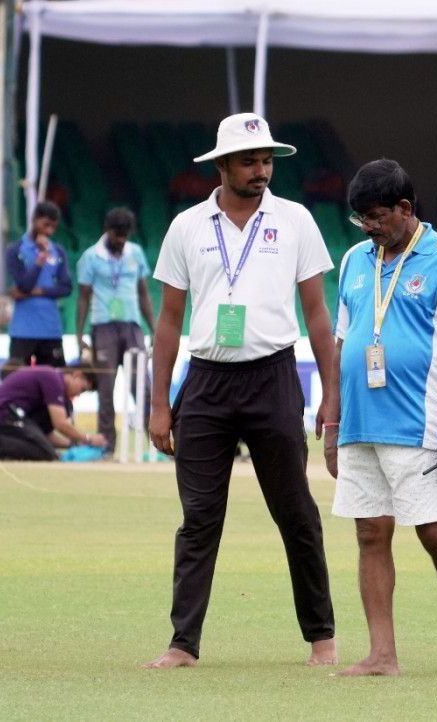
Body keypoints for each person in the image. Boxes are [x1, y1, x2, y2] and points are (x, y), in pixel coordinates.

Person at [145, 112, 339, 670]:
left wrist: (331, 394)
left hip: (274, 376)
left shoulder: (296, 220)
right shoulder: (186, 227)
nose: (261, 171)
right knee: (199, 517)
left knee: (295, 511)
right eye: (250, 161)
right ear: (223, 165)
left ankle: (321, 637)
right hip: (205, 382)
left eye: (267, 161)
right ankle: (183, 644)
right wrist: (161, 404)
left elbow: (318, 315)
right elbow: (168, 321)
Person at [325, 158, 437, 677]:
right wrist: (330, 418)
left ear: (405, 208)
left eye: (376, 217)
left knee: (433, 533)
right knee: (370, 534)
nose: (369, 229)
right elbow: (341, 343)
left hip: (419, 425)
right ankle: (382, 654)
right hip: (357, 422)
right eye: (361, 221)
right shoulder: (356, 259)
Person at [75, 207, 155, 456]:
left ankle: (156, 442)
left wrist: (155, 329)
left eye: (125, 236)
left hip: (132, 326)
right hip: (103, 327)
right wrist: (79, 337)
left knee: (141, 385)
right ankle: (107, 446)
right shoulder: (90, 257)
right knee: (105, 388)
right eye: (116, 235)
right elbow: (83, 298)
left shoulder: (136, 253)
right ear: (107, 231)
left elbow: (144, 293)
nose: (121, 241)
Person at [0, 362, 104, 461]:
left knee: (48, 452)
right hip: (2, 414)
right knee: (46, 452)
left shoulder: (52, 380)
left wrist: (73, 445)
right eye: (82, 389)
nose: (79, 394)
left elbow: (43, 436)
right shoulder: (53, 379)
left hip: (11, 415)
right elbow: (60, 424)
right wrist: (88, 439)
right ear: (77, 374)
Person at [5, 201, 72, 366]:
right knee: (18, 382)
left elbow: (66, 287)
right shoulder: (15, 250)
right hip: (23, 329)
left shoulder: (58, 251)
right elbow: (24, 285)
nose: (49, 231)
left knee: (55, 382)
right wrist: (40, 260)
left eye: (53, 227)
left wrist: (36, 292)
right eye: (46, 225)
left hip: (50, 329)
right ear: (34, 220)